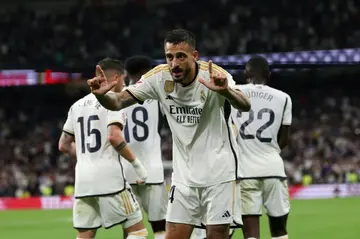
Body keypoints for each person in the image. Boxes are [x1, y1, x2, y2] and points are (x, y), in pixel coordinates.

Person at [87, 29, 251, 239]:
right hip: (183, 177)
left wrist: (225, 91)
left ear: (194, 56)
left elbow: (245, 105)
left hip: (219, 173)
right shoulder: (158, 77)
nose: (174, 63)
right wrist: (103, 96)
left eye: (181, 56)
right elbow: (118, 101)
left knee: (216, 236)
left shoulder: (213, 74)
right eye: (169, 56)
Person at [59, 58, 149, 239]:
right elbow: (114, 136)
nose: (124, 83)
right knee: (137, 231)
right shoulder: (113, 102)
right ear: (116, 77)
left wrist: (87, 156)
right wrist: (137, 165)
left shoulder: (76, 106)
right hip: (110, 179)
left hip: (83, 181)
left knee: (85, 234)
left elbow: (63, 145)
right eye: (123, 79)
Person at [229, 56, 292, 239]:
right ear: (269, 75)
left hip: (245, 171)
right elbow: (284, 140)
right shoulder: (284, 98)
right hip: (273, 169)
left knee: (251, 235)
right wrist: (268, 151)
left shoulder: (233, 93)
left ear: (245, 74)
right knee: (279, 231)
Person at [122, 55, 167, 239]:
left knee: (132, 230)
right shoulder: (157, 95)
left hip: (125, 171)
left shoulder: (117, 97)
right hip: (153, 170)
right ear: (144, 73)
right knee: (160, 227)